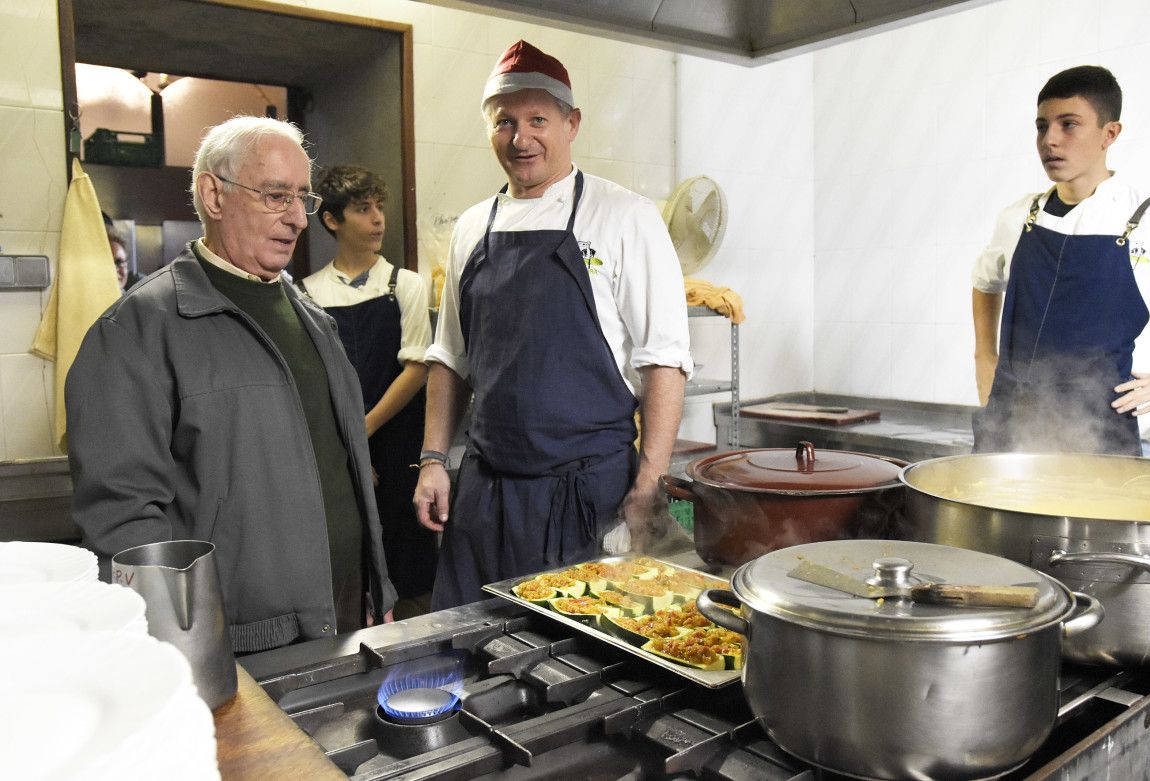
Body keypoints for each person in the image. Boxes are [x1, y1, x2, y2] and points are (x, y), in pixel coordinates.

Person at [66, 116, 397, 653]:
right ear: (213, 195)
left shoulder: (312, 319)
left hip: (347, 615)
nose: (296, 219)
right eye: (275, 196)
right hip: (239, 644)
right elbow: (122, 521)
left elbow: (344, 471)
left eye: (301, 199)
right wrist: (188, 649)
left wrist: (376, 585)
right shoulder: (137, 331)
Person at [413, 40, 693, 610]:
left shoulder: (624, 217)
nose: (521, 139)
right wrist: (434, 461)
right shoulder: (472, 227)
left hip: (586, 495)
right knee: (465, 645)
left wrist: (647, 487)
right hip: (485, 493)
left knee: (575, 661)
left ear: (572, 124)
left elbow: (663, 360)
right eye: (505, 123)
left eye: (538, 119)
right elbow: (449, 358)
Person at [971, 65, 1150, 456]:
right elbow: (984, 282)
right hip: (1008, 432)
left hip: (1100, 439)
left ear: (1109, 134)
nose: (1050, 141)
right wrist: (984, 355)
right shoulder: (1017, 218)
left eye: (1069, 124)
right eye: (1042, 126)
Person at [300, 165, 437, 618]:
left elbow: (417, 367)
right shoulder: (308, 293)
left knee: (409, 568)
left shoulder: (405, 284)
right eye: (363, 210)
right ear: (332, 220)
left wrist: (366, 430)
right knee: (350, 564)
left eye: (379, 208)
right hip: (339, 446)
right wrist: (350, 443)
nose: (378, 219)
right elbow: (313, 382)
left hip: (400, 448)